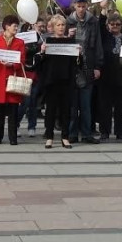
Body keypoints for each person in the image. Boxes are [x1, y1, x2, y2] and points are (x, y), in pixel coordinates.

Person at [67, 0, 103, 144]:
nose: (81, 9)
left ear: (87, 6)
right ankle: (72, 133)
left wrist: (98, 66)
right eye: (79, 6)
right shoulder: (68, 22)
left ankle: (87, 133)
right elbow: (60, 42)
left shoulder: (93, 22)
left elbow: (98, 45)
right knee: (73, 105)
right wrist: (67, 36)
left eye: (83, 6)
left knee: (86, 104)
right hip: (72, 67)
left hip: (88, 66)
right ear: (74, 6)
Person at [0, 15, 27, 145]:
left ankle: (12, 138)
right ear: (7, 26)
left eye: (17, 26)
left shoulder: (19, 42)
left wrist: (12, 65)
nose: (16, 28)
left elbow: (22, 60)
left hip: (13, 77)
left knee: (13, 110)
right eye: (14, 25)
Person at [39, 14, 77, 148]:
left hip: (66, 79)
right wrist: (42, 52)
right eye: (58, 25)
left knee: (66, 110)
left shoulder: (71, 42)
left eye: (63, 25)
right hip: (51, 80)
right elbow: (41, 63)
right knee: (51, 109)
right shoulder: (48, 41)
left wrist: (80, 53)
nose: (61, 27)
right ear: (53, 27)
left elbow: (76, 63)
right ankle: (49, 136)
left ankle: (65, 137)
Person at [98, 13, 122, 141]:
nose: (115, 26)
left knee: (120, 107)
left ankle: (120, 132)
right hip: (106, 75)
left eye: (117, 24)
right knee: (105, 106)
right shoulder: (105, 36)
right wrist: (103, 11)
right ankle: (104, 131)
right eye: (112, 24)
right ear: (108, 25)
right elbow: (100, 25)